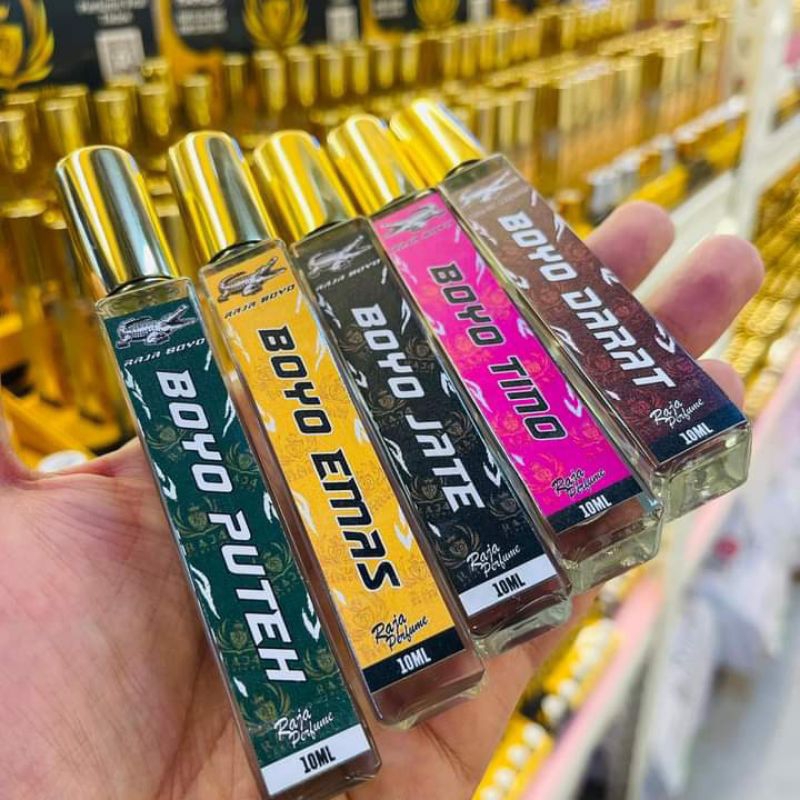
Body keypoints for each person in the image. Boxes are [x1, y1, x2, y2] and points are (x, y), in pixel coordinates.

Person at [0, 202, 763, 800]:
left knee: (445, 408)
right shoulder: (184, 310)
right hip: (317, 691)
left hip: (484, 561)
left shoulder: (367, 245)